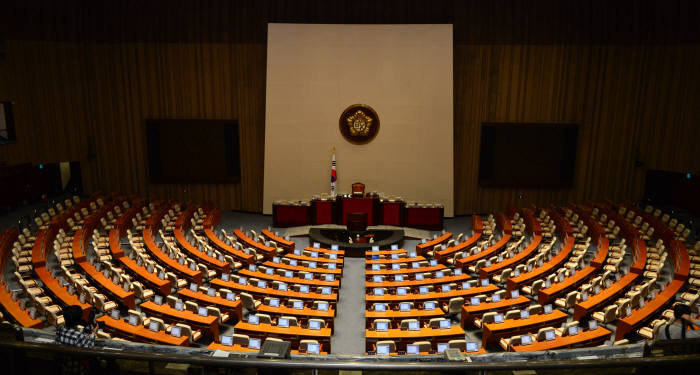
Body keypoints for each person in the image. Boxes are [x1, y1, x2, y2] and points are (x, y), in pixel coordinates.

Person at [55, 305, 96, 374]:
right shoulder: (79, 336)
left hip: (63, 367)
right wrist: (93, 334)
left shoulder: (60, 328)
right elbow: (88, 351)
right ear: (79, 320)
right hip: (76, 370)